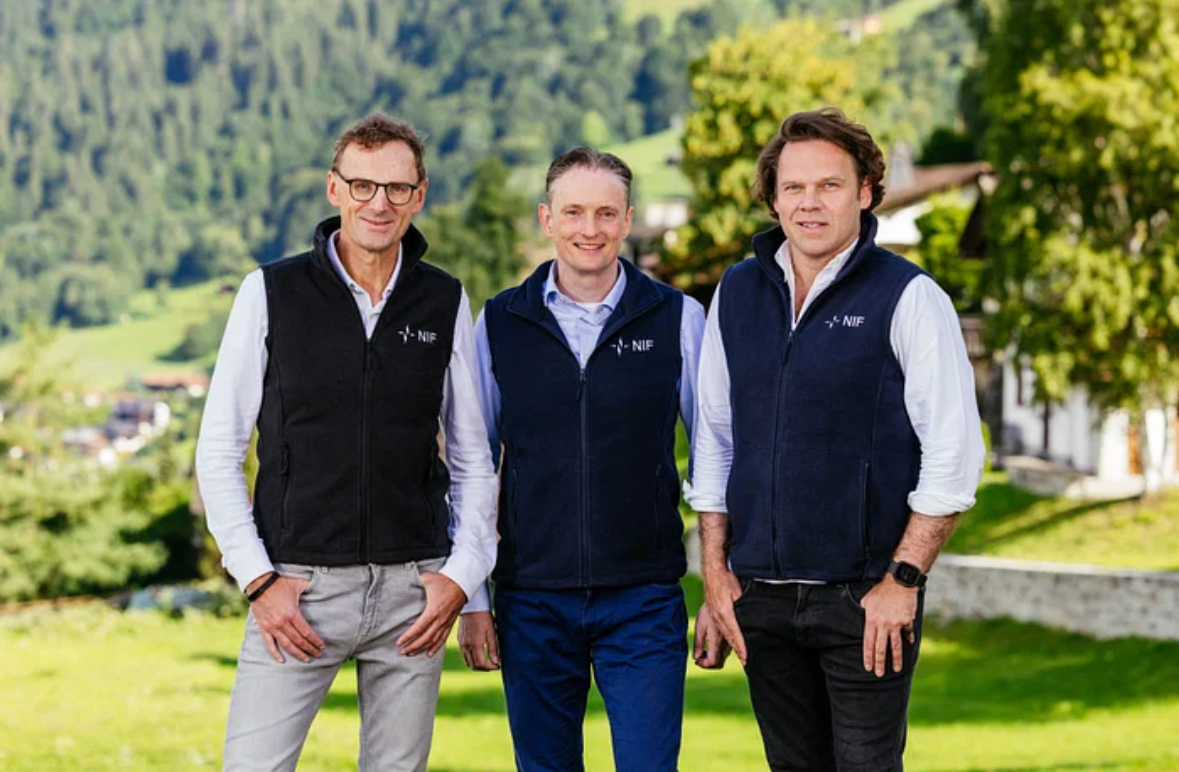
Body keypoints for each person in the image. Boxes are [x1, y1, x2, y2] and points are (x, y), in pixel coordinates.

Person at [195, 113, 498, 772]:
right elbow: (218, 451)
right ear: (334, 189)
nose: (378, 203)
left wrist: (460, 577)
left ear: (419, 196)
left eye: (397, 188)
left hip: (413, 594)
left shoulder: (443, 300)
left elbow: (474, 458)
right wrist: (259, 581)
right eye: (362, 186)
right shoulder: (269, 293)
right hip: (297, 590)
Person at [688, 108, 985, 772]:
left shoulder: (909, 296)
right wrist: (716, 576)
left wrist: (902, 581)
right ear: (772, 199)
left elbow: (954, 455)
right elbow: (715, 438)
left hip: (865, 598)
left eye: (829, 185)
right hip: (759, 596)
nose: (809, 202)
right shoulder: (736, 292)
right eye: (793, 187)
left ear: (865, 192)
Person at [456, 147, 720, 772]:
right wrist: (473, 598)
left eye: (606, 213)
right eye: (573, 212)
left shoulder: (679, 318)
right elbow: (472, 464)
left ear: (627, 220)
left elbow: (715, 454)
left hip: (644, 599)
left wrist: (718, 584)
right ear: (546, 219)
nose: (590, 229)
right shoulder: (499, 323)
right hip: (531, 600)